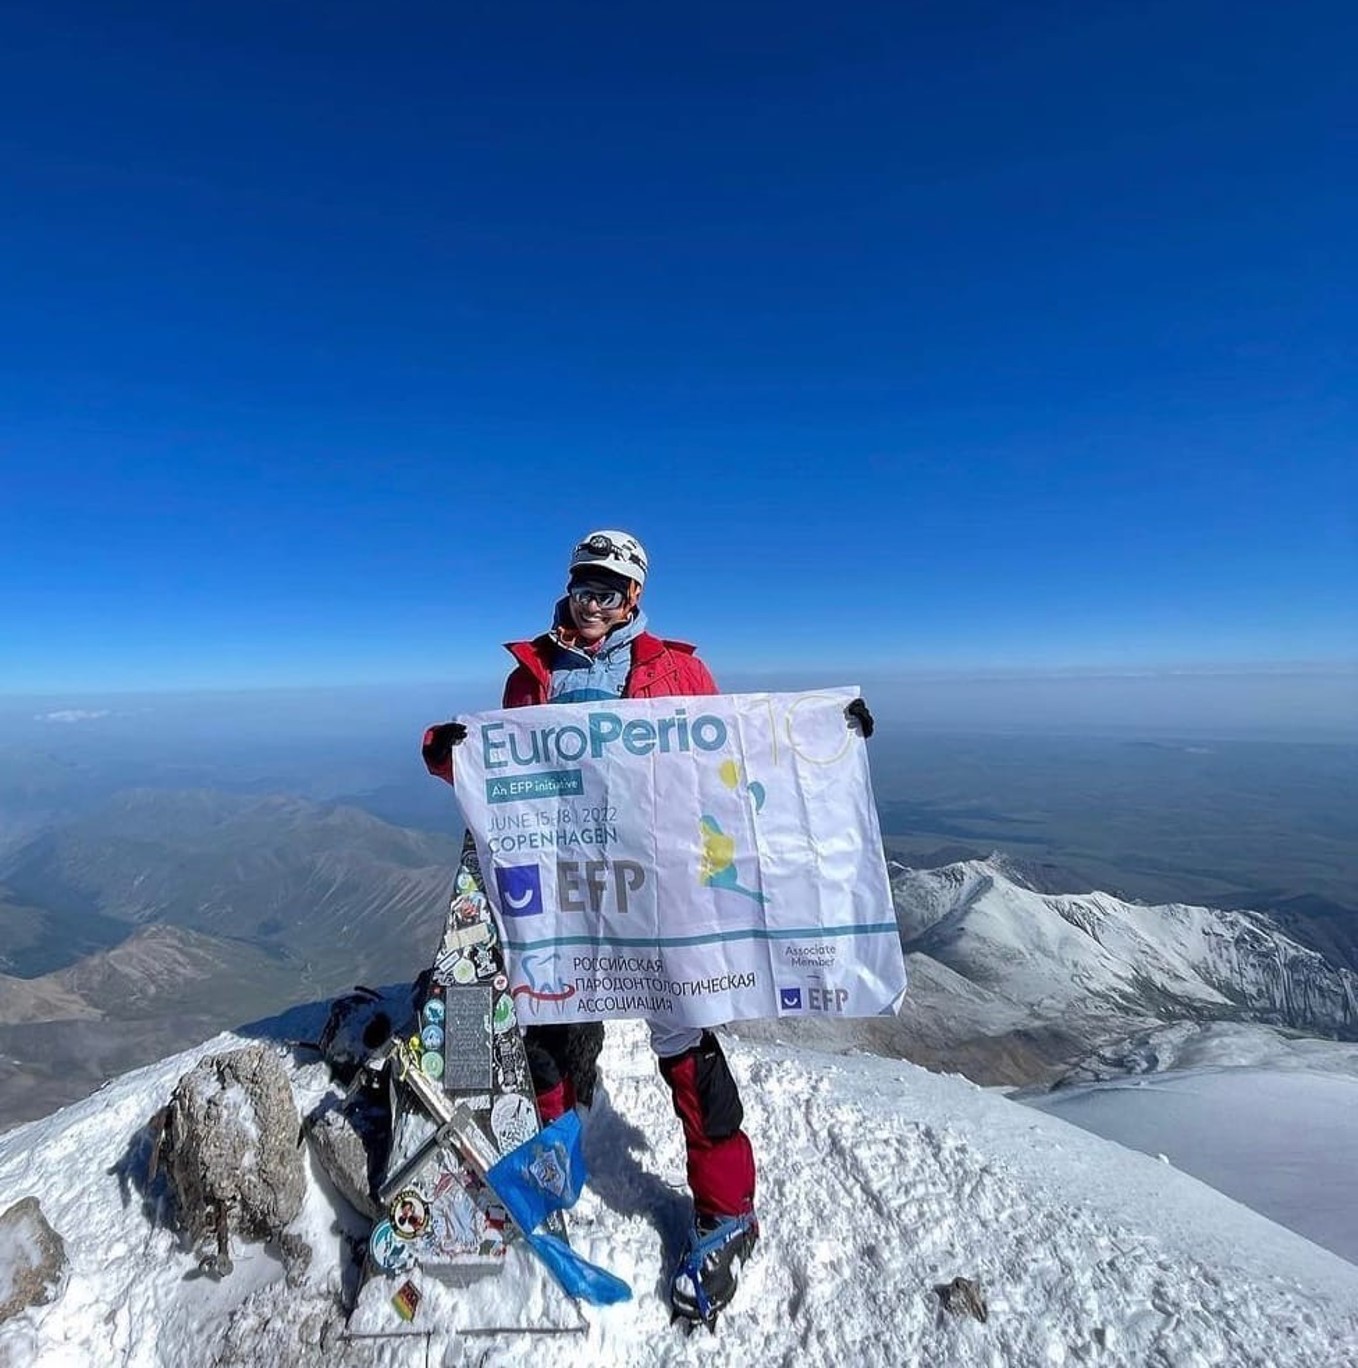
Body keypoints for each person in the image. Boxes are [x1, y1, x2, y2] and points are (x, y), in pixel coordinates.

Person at [421, 529, 873, 1321]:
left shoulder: (676, 669)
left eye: (606, 589)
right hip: (573, 883)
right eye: (579, 585)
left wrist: (826, 734)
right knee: (547, 1030)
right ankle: (552, 1181)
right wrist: (446, 749)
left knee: (687, 1046)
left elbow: (737, 752)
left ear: (634, 598)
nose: (588, 602)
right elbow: (502, 769)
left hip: (663, 885)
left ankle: (727, 1212)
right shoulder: (531, 675)